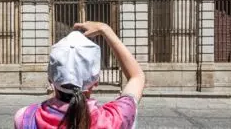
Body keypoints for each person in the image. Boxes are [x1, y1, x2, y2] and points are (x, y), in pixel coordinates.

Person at [14, 21, 145, 129]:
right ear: (96, 81)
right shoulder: (115, 119)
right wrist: (104, 29)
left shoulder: (25, 117)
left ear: (50, 78)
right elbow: (137, 77)